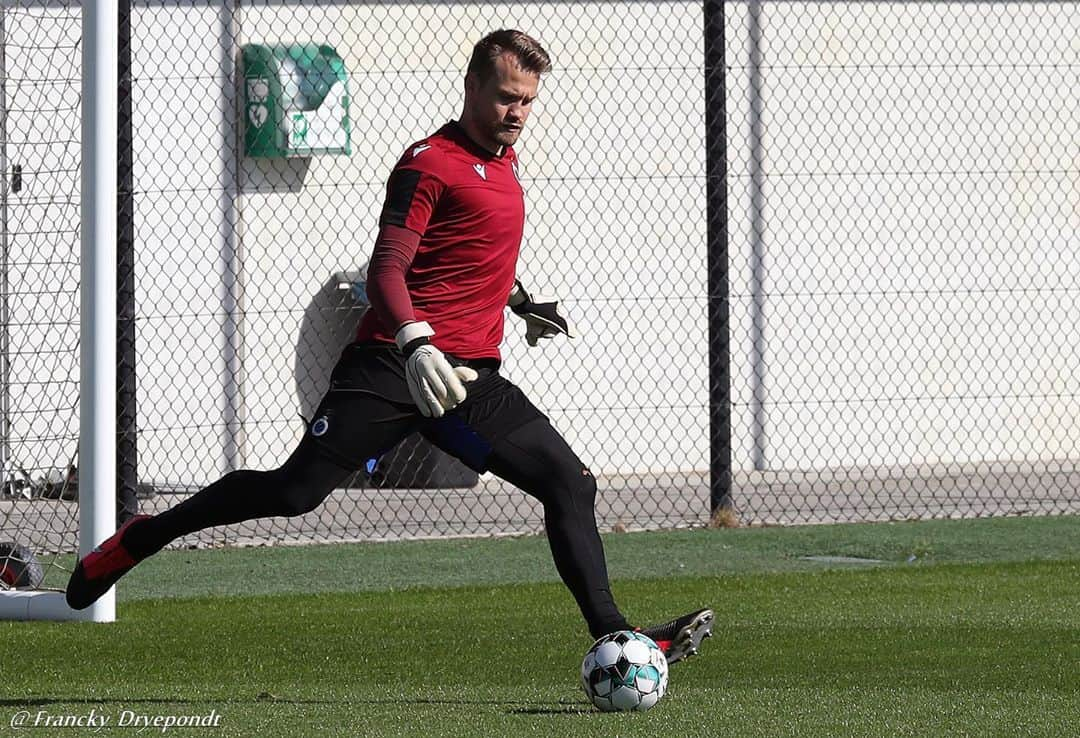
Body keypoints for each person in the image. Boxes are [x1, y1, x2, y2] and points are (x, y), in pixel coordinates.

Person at [66, 29, 712, 663]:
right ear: (472, 86)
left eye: (528, 101)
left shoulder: (504, 161)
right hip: (391, 366)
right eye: (506, 96)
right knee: (294, 494)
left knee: (568, 484)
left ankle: (617, 640)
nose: (517, 112)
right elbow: (387, 269)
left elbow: (462, 254)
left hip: (467, 384)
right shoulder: (428, 161)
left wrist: (519, 301)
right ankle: (141, 538)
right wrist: (415, 343)